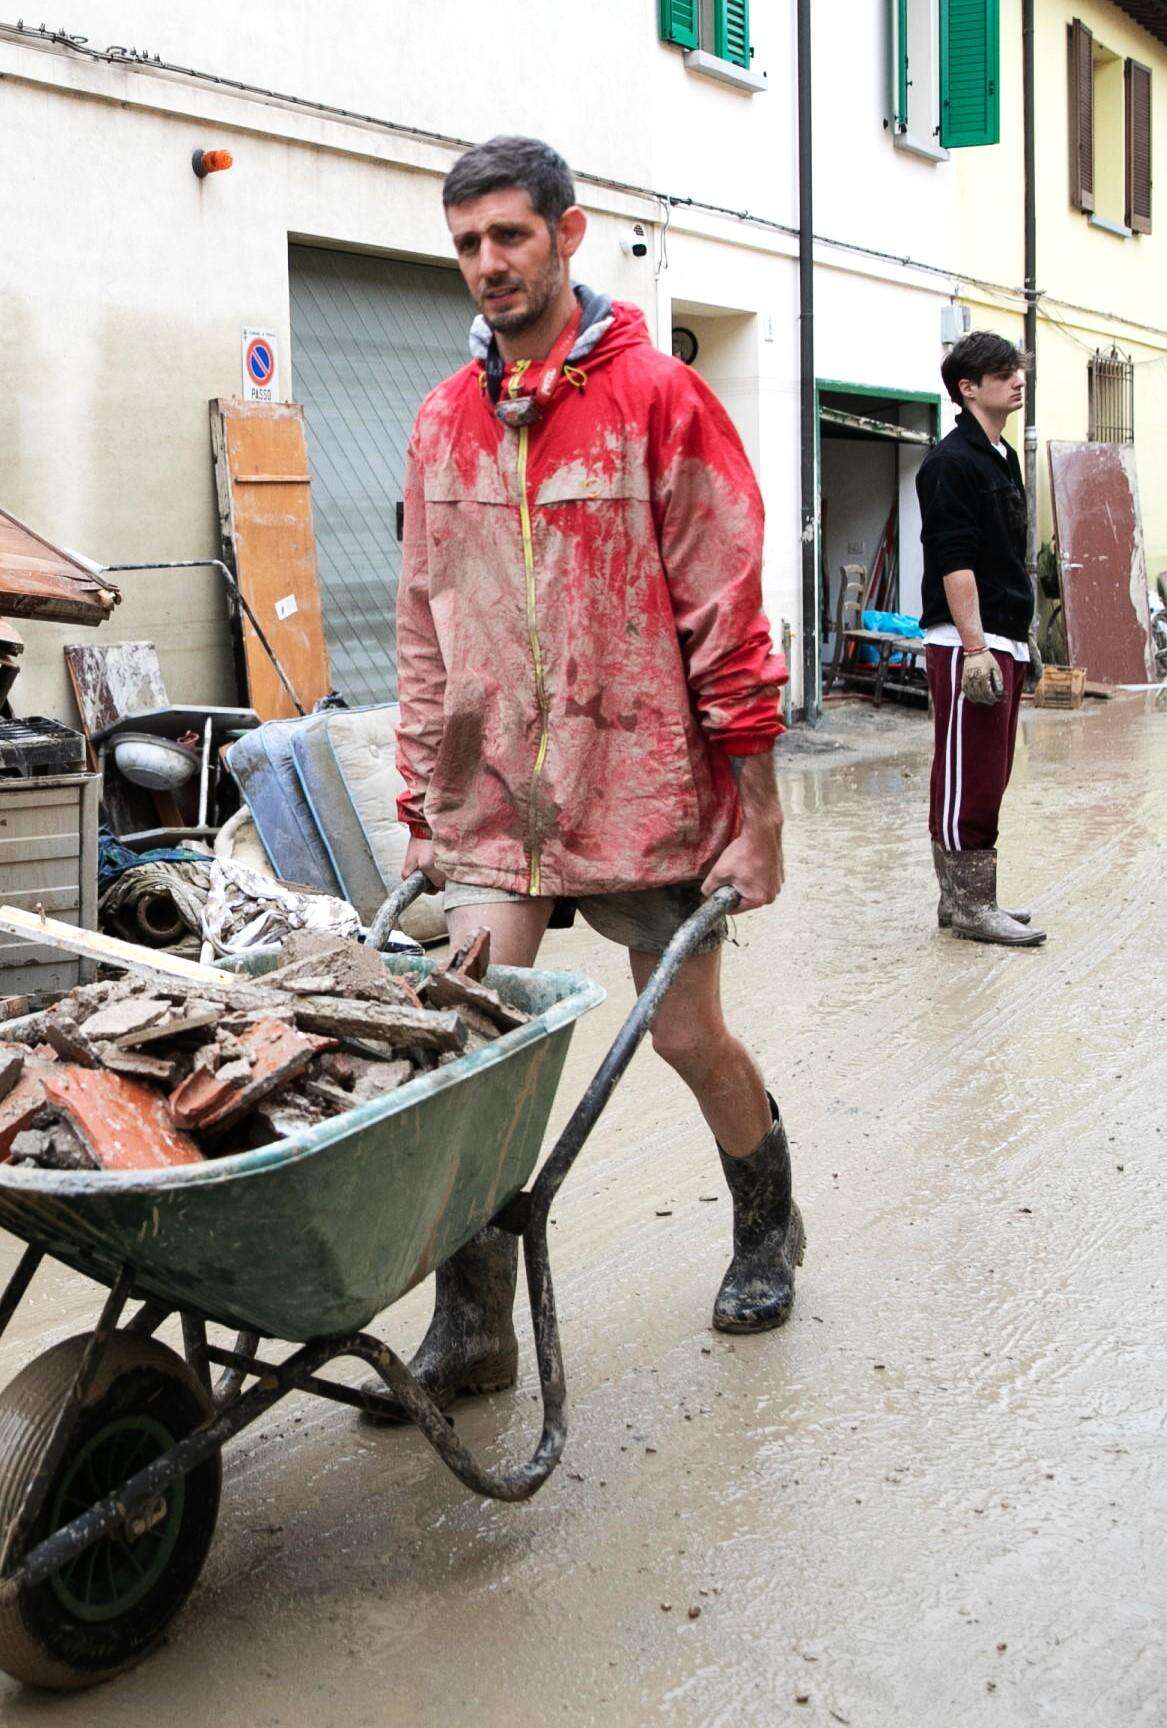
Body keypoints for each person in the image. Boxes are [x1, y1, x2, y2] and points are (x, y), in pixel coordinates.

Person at [389, 135, 798, 1395]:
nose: (487, 264)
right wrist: (421, 796)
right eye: (467, 243)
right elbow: (422, 622)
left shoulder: (660, 397)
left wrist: (757, 808)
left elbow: (728, 609)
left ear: (569, 236)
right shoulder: (445, 421)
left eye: (509, 236)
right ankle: (474, 1326)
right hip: (497, 793)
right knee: (472, 1047)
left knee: (682, 1036)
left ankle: (767, 1224)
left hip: (645, 787)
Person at [914, 331, 1045, 947]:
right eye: (1003, 373)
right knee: (966, 770)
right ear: (969, 388)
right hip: (968, 639)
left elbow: (1007, 557)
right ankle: (967, 904)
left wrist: (1023, 640)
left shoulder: (1002, 458)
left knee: (992, 771)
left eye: (1017, 370)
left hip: (1003, 634)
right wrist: (974, 647)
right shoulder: (950, 463)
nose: (1017, 380)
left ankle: (970, 899)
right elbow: (954, 558)